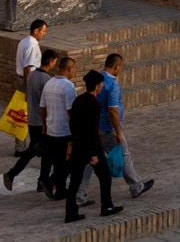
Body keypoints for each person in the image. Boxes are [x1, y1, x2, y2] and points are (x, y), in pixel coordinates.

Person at [74, 53, 153, 204]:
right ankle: (135, 186)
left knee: (89, 162)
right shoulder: (112, 85)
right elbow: (113, 110)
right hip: (107, 129)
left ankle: (80, 194)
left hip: (94, 129)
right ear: (117, 66)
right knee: (124, 155)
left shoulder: (98, 79)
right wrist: (118, 132)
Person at [64, 70, 122, 222]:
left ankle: (71, 212)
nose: (102, 86)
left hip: (78, 146)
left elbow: (73, 124)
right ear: (97, 86)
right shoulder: (94, 104)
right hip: (90, 147)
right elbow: (92, 130)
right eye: (101, 84)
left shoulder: (78, 100)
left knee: (75, 181)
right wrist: (93, 154)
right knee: (105, 177)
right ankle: (107, 206)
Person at [4, 49, 57, 194]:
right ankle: (15, 174)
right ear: (51, 62)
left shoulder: (32, 75)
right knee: (41, 152)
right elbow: (46, 103)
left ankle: (41, 181)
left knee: (40, 150)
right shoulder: (46, 80)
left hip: (32, 119)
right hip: (41, 122)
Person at [39, 57, 76, 203]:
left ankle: (61, 191)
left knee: (58, 161)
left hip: (51, 130)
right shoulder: (68, 86)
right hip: (64, 131)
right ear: (70, 69)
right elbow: (70, 111)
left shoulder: (49, 83)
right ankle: (49, 182)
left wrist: (44, 124)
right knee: (68, 162)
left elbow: (42, 107)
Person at [14, 19, 45, 156]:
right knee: (30, 113)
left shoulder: (23, 42)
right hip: (28, 81)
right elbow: (28, 68)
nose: (44, 34)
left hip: (21, 79)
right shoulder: (32, 46)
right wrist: (29, 89)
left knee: (21, 113)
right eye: (43, 31)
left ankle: (20, 146)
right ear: (36, 31)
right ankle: (33, 145)